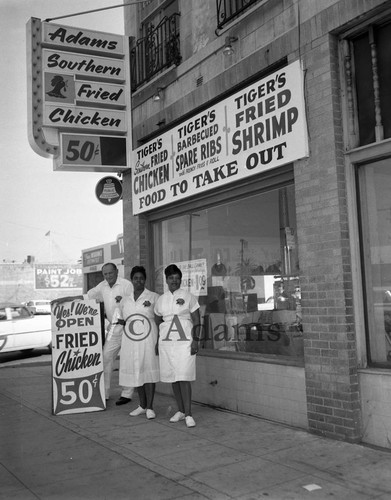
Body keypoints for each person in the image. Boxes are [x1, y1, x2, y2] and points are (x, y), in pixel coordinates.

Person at [52, 262, 134, 405]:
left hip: (128, 327)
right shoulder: (102, 286)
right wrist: (64, 299)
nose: (108, 276)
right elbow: (86, 297)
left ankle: (127, 394)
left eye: (110, 273)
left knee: (127, 360)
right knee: (106, 357)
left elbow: (133, 304)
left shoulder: (126, 285)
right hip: (113, 329)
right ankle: (105, 393)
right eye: (105, 274)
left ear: (116, 271)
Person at [154, 264, 201, 428]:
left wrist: (195, 340)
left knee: (184, 376)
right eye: (171, 278)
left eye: (177, 278)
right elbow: (158, 319)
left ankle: (188, 414)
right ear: (166, 280)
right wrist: (158, 340)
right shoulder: (161, 299)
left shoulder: (189, 297)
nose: (174, 281)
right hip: (167, 343)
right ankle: (180, 411)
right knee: (173, 376)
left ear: (181, 280)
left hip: (185, 341)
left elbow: (197, 320)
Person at [117, 266, 160, 420]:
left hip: (148, 339)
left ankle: (150, 407)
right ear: (131, 280)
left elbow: (159, 320)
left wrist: (159, 341)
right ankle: (142, 405)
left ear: (145, 279)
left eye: (141, 278)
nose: (139, 281)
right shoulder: (125, 300)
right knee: (137, 371)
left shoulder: (154, 297)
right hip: (130, 340)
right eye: (136, 278)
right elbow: (122, 319)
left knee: (148, 371)